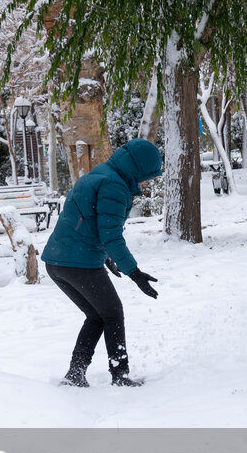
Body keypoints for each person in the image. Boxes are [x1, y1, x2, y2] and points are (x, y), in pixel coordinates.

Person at [41, 138, 163, 388]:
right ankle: (120, 374)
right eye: (146, 176)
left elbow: (86, 219)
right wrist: (135, 273)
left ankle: (76, 374)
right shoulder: (114, 186)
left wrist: (105, 256)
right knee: (113, 313)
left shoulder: (100, 174)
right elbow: (111, 234)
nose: (144, 182)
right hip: (78, 262)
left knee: (97, 315)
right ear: (138, 168)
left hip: (58, 262)